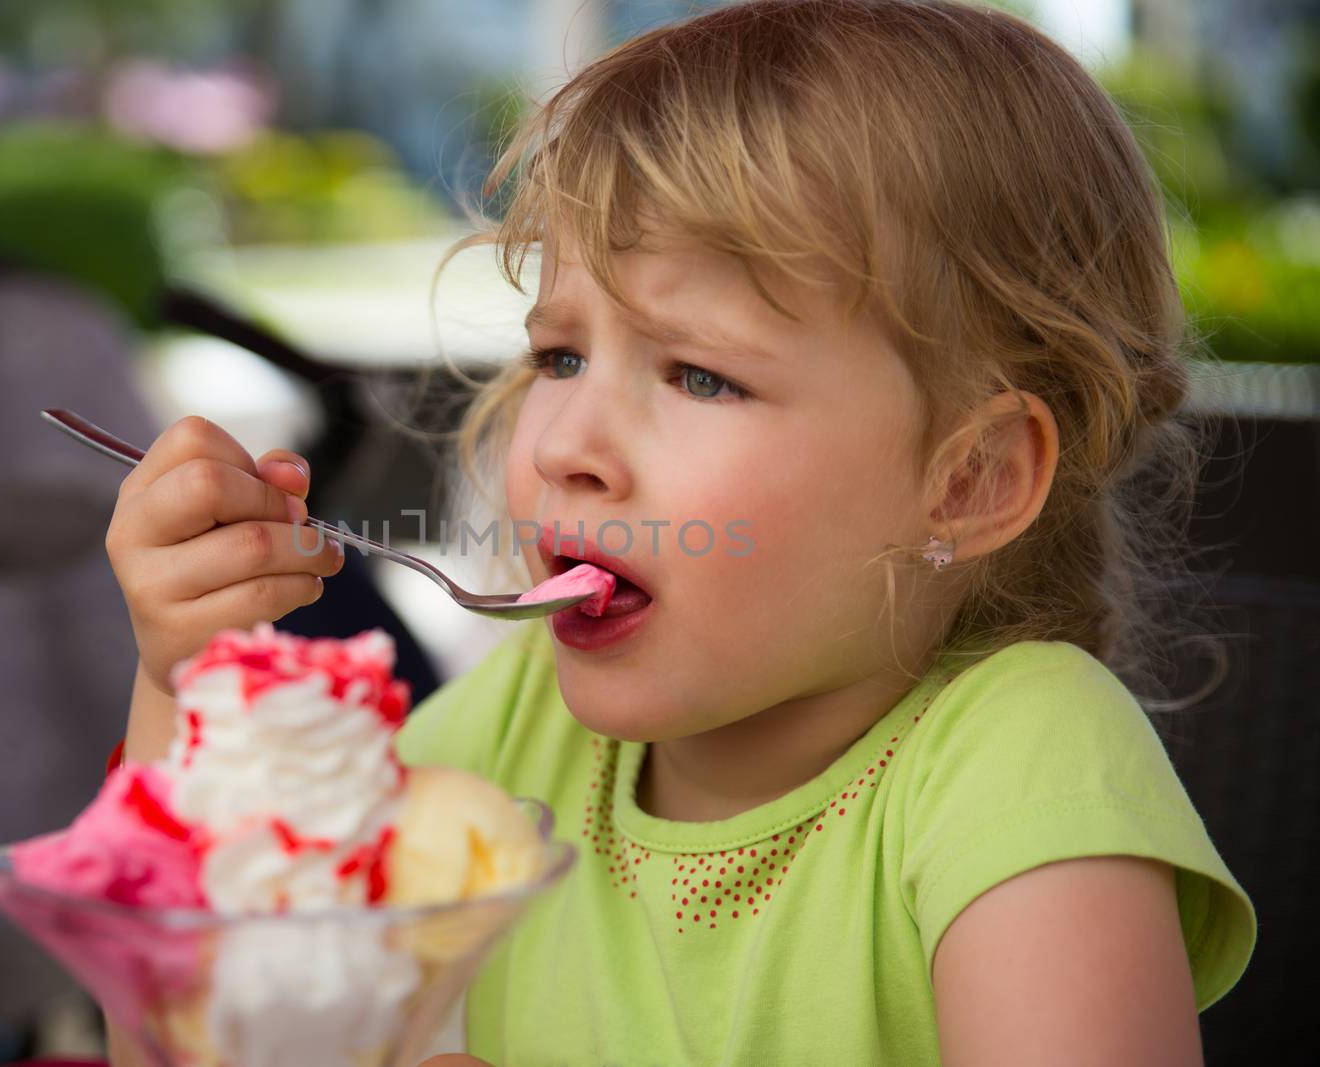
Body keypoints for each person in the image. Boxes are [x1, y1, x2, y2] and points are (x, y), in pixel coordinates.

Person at [102, 2, 1256, 1063]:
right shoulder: (514, 734)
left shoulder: (1018, 759)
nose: (565, 443)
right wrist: (189, 688)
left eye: (699, 375)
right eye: (558, 354)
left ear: (970, 479)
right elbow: (199, 1031)